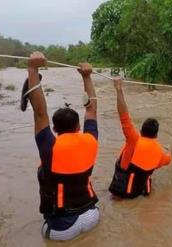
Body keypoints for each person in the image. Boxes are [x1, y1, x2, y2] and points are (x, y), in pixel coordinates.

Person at [23, 52, 100, 241]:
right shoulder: (91, 139)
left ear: (55, 128)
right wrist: (87, 77)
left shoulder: (50, 147)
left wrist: (33, 69)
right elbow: (92, 108)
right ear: (78, 126)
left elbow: (40, 114)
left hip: (62, 227)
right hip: (92, 215)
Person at [108, 78, 172, 199]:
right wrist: (171, 150)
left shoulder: (134, 140)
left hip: (119, 196)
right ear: (156, 135)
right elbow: (168, 159)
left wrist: (119, 90)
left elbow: (124, 117)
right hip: (139, 195)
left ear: (141, 131)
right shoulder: (160, 154)